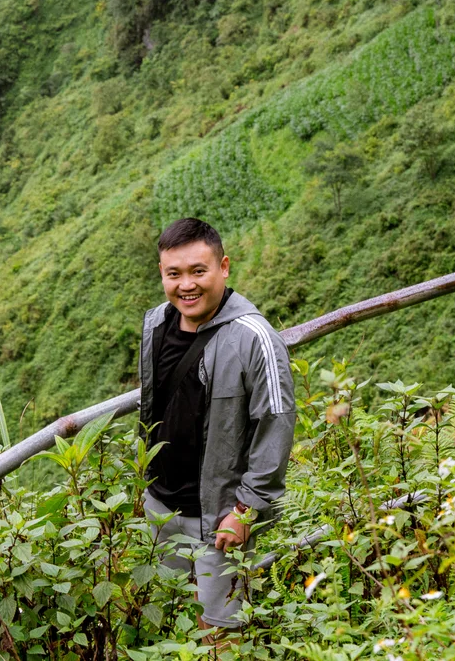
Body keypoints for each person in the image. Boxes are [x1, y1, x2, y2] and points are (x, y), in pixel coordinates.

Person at [138, 217, 295, 638]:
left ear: (223, 267)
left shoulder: (254, 338)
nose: (186, 285)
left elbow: (275, 425)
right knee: (170, 617)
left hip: (219, 517)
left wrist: (248, 509)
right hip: (159, 507)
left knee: (221, 632)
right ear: (162, 274)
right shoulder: (155, 323)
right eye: (174, 274)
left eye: (198, 271)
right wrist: (142, 486)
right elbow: (151, 409)